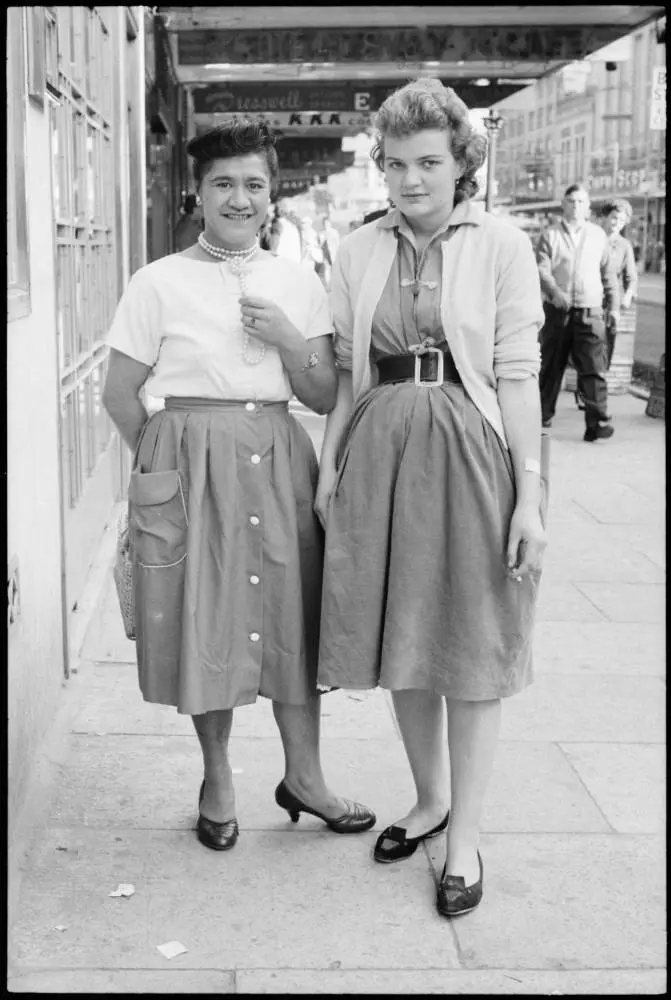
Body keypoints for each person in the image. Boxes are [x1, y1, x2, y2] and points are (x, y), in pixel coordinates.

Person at [102, 120, 375, 853]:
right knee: (206, 621)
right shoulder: (156, 282)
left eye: (254, 183)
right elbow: (120, 393)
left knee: (294, 618)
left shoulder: (297, 282)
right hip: (192, 462)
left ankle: (306, 778)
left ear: (272, 194)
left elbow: (321, 396)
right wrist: (168, 462)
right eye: (223, 182)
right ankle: (217, 778)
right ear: (198, 192)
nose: (239, 197)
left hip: (281, 460)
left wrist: (289, 337)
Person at [314, 78, 547, 919]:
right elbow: (346, 375)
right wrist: (329, 465)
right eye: (396, 163)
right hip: (380, 449)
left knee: (473, 646)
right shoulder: (356, 248)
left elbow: (519, 382)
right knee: (402, 638)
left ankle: (466, 839)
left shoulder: (501, 244)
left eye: (428, 162)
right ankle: (428, 800)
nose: (409, 180)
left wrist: (530, 499)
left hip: (471, 452)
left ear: (461, 164)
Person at [536, 184, 620, 441]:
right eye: (572, 201)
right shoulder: (549, 235)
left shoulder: (597, 235)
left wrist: (614, 307)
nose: (576, 206)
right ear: (563, 204)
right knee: (551, 366)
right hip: (558, 311)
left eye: (582, 202)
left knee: (593, 368)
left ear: (588, 206)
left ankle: (597, 423)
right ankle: (541, 416)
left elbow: (609, 276)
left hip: (590, 312)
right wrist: (554, 291)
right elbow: (541, 269)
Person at [600, 198, 638, 371]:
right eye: (614, 217)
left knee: (606, 342)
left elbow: (631, 277)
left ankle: (599, 380)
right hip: (589, 297)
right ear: (606, 217)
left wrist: (628, 296)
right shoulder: (595, 238)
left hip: (610, 302)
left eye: (622, 220)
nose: (617, 223)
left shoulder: (624, 246)